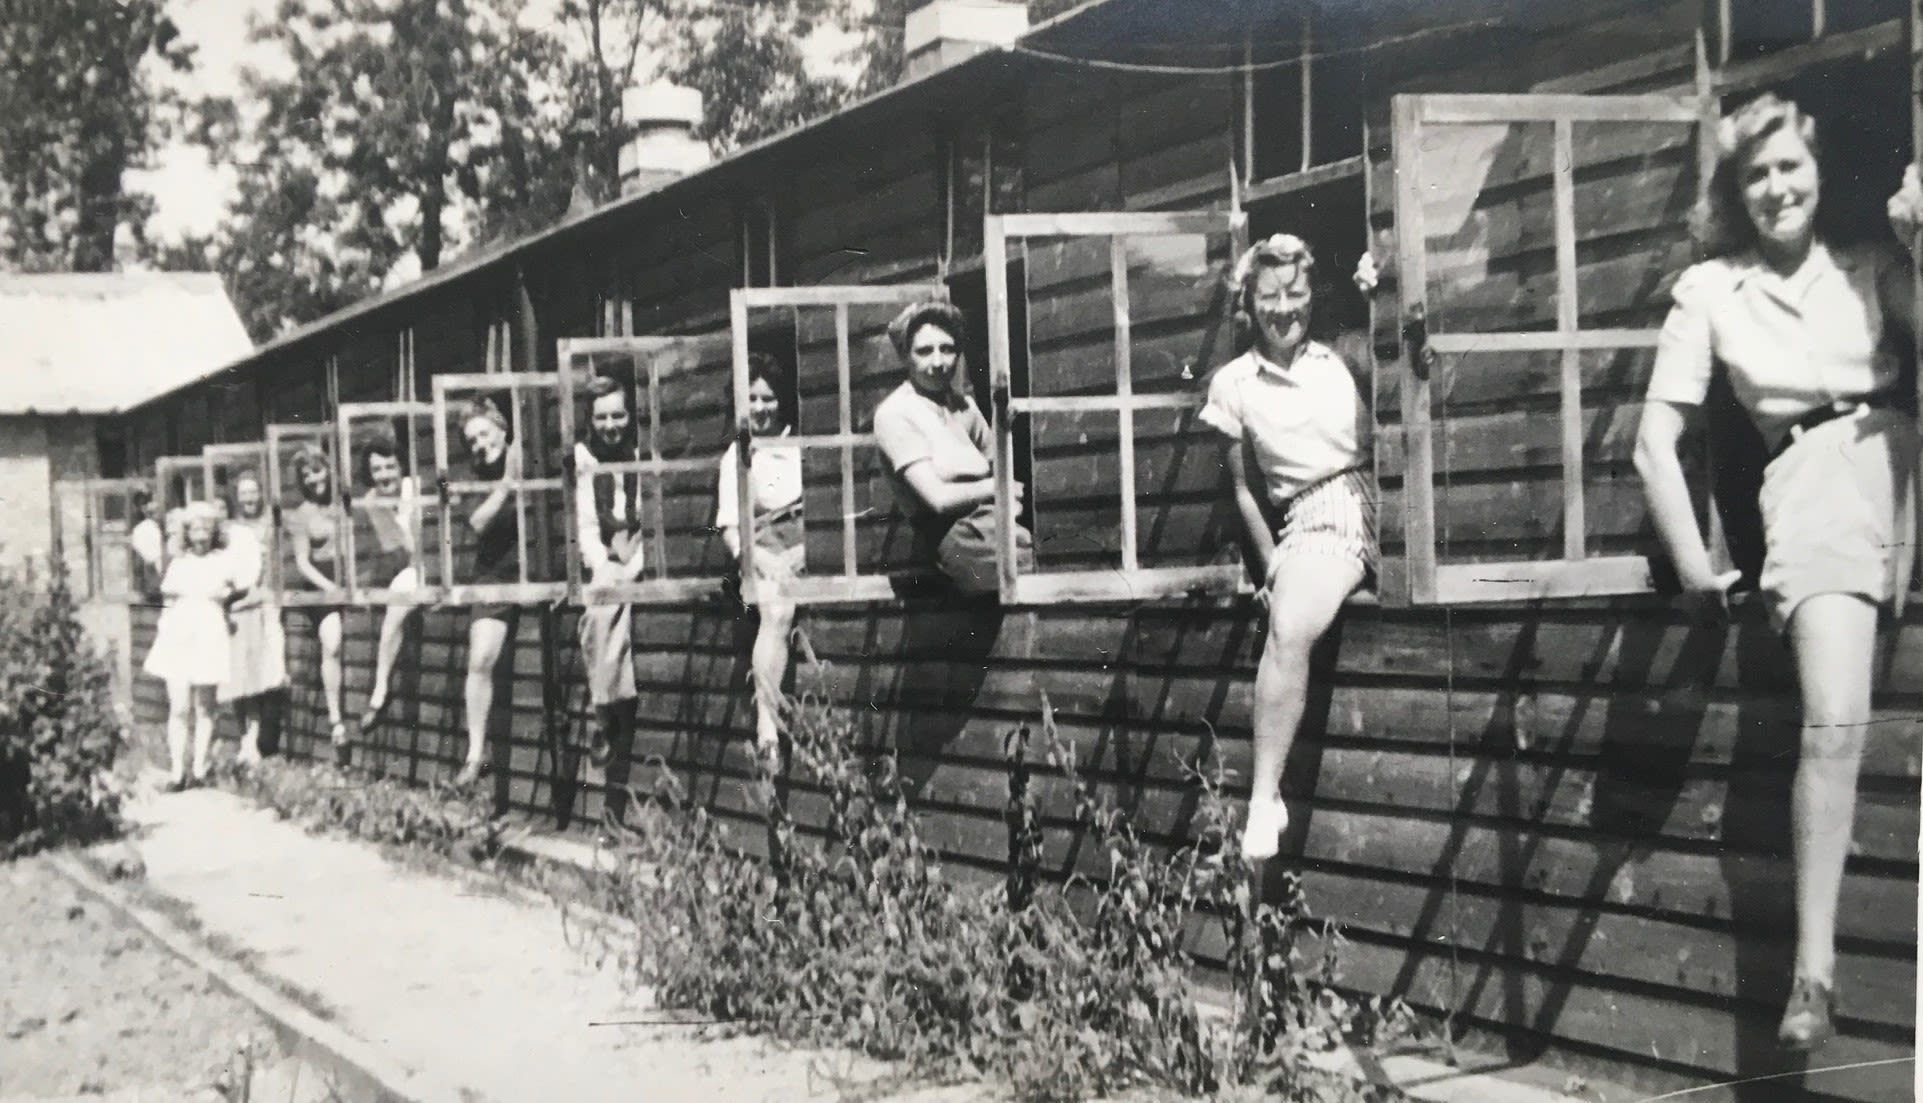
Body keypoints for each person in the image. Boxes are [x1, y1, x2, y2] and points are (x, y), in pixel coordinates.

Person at [1632, 94, 1919, 1052]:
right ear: (1732, 191)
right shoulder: (1710, 290)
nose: (1775, 187)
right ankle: (1815, 969)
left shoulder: (1875, 266)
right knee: (1834, 718)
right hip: (1817, 486)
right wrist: (1694, 571)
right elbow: (1652, 444)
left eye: (1789, 166)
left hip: (1905, 466)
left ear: (1821, 170)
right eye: (1754, 174)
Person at [1200, 233, 1377, 864]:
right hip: (1312, 512)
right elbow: (1245, 489)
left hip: (1380, 496)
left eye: (1296, 295)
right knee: (1290, 622)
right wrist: (1272, 563)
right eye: (1270, 296)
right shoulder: (1233, 385)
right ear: (1249, 301)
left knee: (1291, 620)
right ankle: (1264, 798)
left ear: (1312, 298)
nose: (1284, 309)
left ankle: (1265, 793)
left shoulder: (1344, 356)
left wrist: (1380, 291)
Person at [872, 299, 1034, 595]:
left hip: (997, 525)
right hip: (952, 539)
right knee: (1024, 589)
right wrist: (999, 488)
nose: (938, 362)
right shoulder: (895, 413)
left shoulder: (964, 407)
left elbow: (995, 464)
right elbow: (939, 500)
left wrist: (1004, 431)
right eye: (924, 351)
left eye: (947, 349)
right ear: (905, 356)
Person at [716, 353, 804, 755]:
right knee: (777, 611)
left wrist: (801, 554)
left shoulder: (800, 444)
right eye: (750, 398)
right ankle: (767, 727)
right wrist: (757, 558)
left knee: (782, 607)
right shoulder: (736, 456)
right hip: (762, 545)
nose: (759, 408)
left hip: (803, 544)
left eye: (767, 398)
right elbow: (732, 527)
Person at [573, 375, 646, 767]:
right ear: (591, 420)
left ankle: (600, 713)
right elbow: (586, 527)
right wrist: (604, 566)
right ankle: (607, 708)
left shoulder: (640, 454)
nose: (611, 426)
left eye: (618, 415)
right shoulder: (585, 460)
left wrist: (631, 567)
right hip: (606, 559)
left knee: (602, 612)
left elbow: (651, 522)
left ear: (631, 416)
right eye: (602, 418)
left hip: (638, 557)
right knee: (600, 610)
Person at [143, 501, 236, 789]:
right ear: (186, 532)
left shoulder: (222, 561)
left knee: (205, 706)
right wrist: (166, 632)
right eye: (195, 527)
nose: (201, 534)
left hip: (209, 632)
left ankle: (199, 768)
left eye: (206, 527)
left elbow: (233, 591)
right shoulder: (179, 563)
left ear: (214, 531)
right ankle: (176, 771)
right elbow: (168, 602)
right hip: (179, 633)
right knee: (179, 705)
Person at [453, 397, 521, 788]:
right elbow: (477, 522)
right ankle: (476, 755)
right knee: (480, 659)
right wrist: (505, 487)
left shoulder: (523, 455)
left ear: (502, 429)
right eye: (472, 439)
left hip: (531, 568)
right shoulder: (468, 478)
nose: (479, 444)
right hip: (494, 575)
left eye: (484, 433)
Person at [284, 446, 349, 761]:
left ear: (328, 470)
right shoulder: (300, 516)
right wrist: (330, 587)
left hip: (347, 574)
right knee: (332, 643)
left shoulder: (341, 505)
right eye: (305, 475)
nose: (312, 479)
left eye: (316, 471)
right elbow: (302, 563)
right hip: (320, 581)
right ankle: (336, 719)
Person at [356, 433, 421, 737]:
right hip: (410, 568)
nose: (384, 475)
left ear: (402, 466)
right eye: (377, 469)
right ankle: (381, 692)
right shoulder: (372, 501)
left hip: (431, 561)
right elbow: (396, 550)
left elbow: (418, 547)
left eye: (390, 467)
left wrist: (397, 512)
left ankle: (379, 695)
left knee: (396, 599)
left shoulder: (414, 489)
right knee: (394, 602)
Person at [220, 470, 287, 765]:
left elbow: (277, 564)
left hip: (266, 600)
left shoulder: (270, 524)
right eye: (243, 492)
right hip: (240, 604)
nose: (248, 497)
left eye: (253, 491)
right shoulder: (232, 530)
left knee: (265, 672)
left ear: (261, 494)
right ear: (237, 496)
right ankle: (246, 739)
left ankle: (262, 741)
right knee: (240, 674)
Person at [129, 487, 165, 598]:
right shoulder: (142, 529)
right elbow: (150, 557)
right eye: (146, 503)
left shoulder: (160, 527)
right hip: (152, 579)